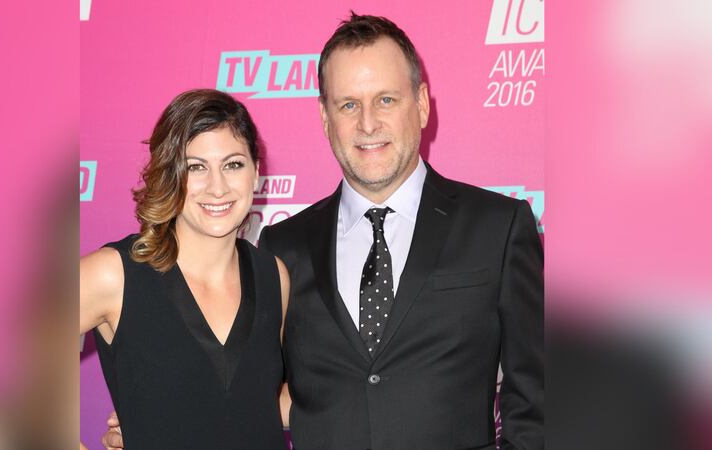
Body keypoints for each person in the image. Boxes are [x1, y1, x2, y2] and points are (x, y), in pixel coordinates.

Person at [104, 12, 543, 450]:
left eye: (386, 100)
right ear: (324, 116)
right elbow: (257, 395)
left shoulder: (499, 227)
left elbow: (539, 400)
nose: (367, 124)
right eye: (348, 104)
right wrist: (160, 415)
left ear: (423, 103)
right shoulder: (280, 251)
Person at [81, 89, 290, 449]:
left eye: (233, 164)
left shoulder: (274, 276)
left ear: (256, 172)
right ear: (169, 175)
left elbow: (259, 403)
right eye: (196, 167)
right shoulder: (114, 274)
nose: (217, 187)